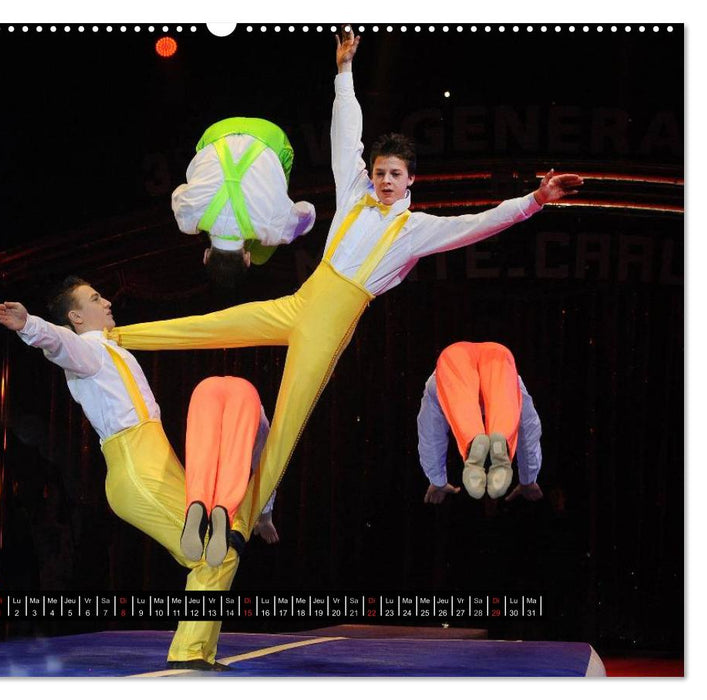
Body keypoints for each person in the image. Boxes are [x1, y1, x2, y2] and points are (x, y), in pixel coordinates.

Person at [104, 28, 581, 548]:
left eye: (395, 174)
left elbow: (479, 222)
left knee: (285, 425)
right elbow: (345, 134)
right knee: (208, 326)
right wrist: (345, 71)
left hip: (327, 329)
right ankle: (111, 340)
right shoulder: (354, 190)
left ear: (410, 181)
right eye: (380, 172)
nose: (384, 180)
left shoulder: (415, 230)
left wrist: (534, 199)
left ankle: (240, 522)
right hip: (300, 303)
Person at [0, 279, 236, 671]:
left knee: (220, 549)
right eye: (94, 299)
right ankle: (190, 655)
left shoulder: (108, 348)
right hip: (137, 467)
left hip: (156, 459)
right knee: (213, 554)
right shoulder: (88, 350)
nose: (106, 302)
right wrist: (29, 326)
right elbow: (59, 343)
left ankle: (197, 653)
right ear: (76, 317)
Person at [173, 117, 316, 290]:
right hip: (217, 132)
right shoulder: (187, 220)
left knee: (261, 255)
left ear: (246, 259)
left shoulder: (275, 230)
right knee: (200, 163)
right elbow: (180, 191)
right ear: (206, 255)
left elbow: (308, 212)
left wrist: (280, 232)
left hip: (270, 135)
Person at [418, 342, 544, 504]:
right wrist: (528, 478)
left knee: (462, 409)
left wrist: (437, 479)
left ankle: (472, 441)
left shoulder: (435, 381)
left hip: (453, 358)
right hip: (498, 357)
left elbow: (430, 431)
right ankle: (502, 441)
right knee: (505, 412)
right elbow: (528, 427)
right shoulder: (515, 381)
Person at [182, 376, 277, 566]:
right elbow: (266, 470)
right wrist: (265, 517)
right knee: (236, 460)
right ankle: (224, 510)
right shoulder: (260, 427)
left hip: (204, 389)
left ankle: (197, 501)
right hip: (246, 395)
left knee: (201, 456)